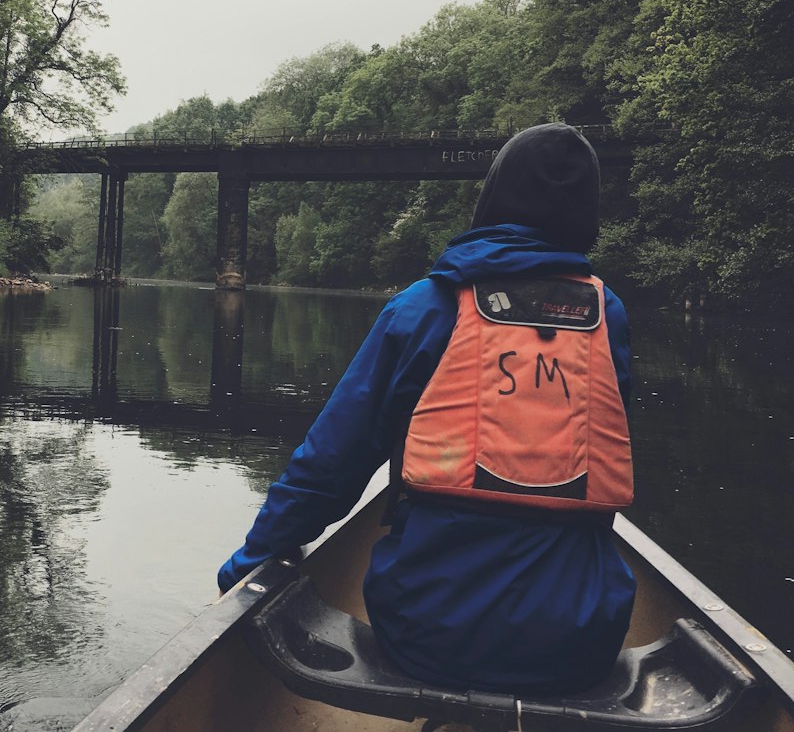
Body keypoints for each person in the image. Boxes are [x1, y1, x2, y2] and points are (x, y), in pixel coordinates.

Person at [217, 122, 636, 695]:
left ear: (491, 201)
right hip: (583, 644)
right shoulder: (606, 317)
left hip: (428, 638)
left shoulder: (426, 307)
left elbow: (329, 467)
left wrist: (249, 564)